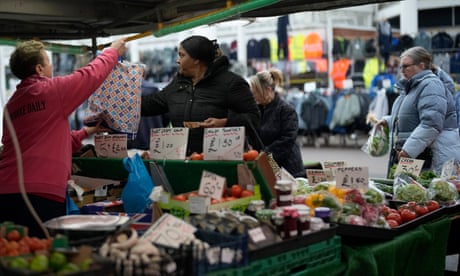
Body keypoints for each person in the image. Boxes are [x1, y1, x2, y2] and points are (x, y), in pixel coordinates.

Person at [0, 38, 127, 237]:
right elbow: (89, 76)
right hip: (41, 195)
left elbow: (35, 142)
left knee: (16, 254)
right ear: (40, 68)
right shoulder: (51, 91)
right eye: (49, 62)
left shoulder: (11, 106)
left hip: (5, 191)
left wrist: (86, 132)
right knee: (44, 254)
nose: (52, 67)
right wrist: (112, 52)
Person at [141, 35, 260, 155]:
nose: (177, 60)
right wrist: (125, 101)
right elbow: (152, 103)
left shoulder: (231, 83)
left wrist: (225, 122)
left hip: (220, 161)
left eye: (182, 55)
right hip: (184, 161)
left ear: (196, 59)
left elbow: (254, 118)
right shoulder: (178, 83)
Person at [377, 46, 460, 176]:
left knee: (429, 194)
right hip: (420, 154)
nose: (402, 70)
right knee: (409, 193)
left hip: (433, 155)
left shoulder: (431, 85)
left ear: (421, 65)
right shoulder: (412, 86)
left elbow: (431, 123)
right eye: (400, 67)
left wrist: (409, 150)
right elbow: (413, 115)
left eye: (406, 66)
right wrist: (388, 120)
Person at [248, 68, 306, 178]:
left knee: (284, 194)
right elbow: (252, 135)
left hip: (288, 169)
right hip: (265, 165)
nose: (254, 95)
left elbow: (287, 140)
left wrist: (265, 155)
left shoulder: (286, 110)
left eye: (256, 92)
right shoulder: (256, 111)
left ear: (268, 90)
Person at [127, 74, 169, 150]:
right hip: (155, 145)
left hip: (128, 147)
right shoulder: (154, 89)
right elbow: (166, 118)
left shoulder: (118, 92)